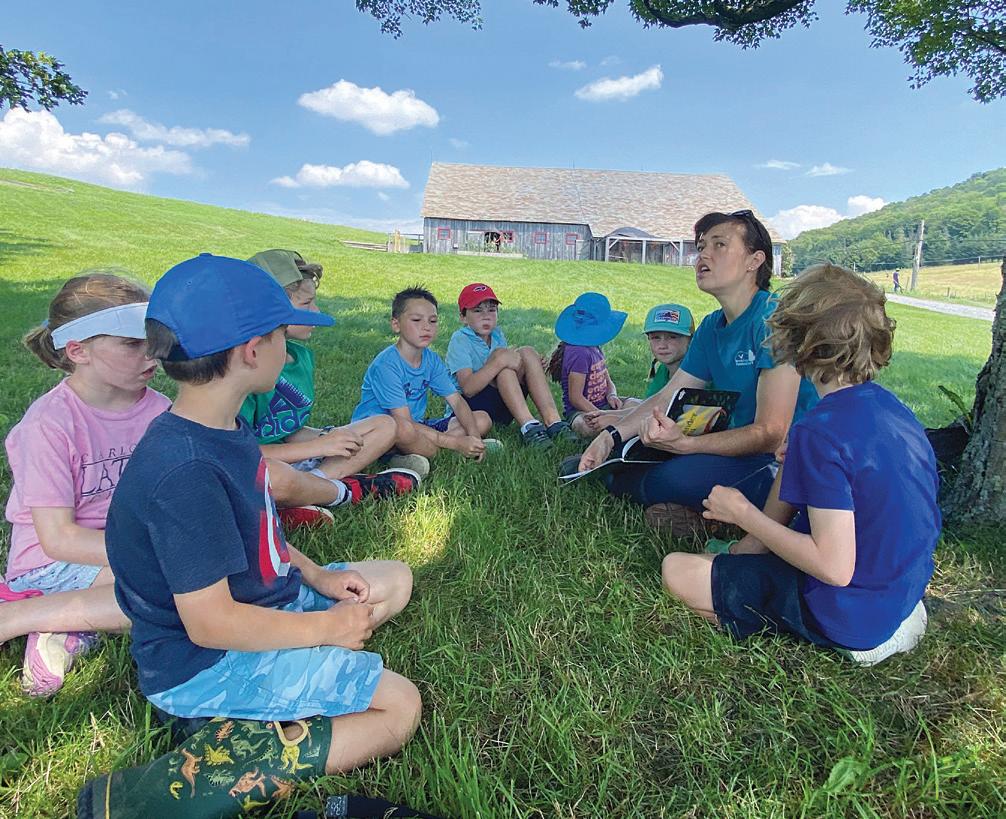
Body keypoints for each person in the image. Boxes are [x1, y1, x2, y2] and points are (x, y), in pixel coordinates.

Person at [105, 253, 422, 777]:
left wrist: (318, 575)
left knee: (395, 577)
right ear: (252, 351)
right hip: (205, 664)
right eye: (281, 335)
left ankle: (279, 684)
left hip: (265, 600)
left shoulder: (225, 427)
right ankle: (221, 762)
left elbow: (260, 530)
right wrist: (323, 628)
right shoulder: (185, 472)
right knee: (400, 706)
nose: (287, 346)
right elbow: (209, 624)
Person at [662, 263, 939, 666]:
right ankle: (749, 555)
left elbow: (833, 567)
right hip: (898, 591)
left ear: (797, 340)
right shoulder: (893, 410)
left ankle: (836, 638)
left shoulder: (820, 431)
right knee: (782, 480)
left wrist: (743, 514)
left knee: (677, 570)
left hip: (848, 614)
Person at [577, 210, 818, 538]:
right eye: (701, 246)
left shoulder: (774, 320)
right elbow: (668, 396)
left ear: (755, 260)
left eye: (720, 245)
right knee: (623, 462)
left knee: (668, 478)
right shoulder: (710, 326)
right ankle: (708, 513)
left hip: (783, 464)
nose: (703, 255)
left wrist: (687, 445)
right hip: (735, 449)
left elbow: (770, 434)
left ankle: (730, 518)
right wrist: (611, 437)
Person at [1, 272, 169, 696]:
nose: (152, 353)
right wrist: (156, 552)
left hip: (121, 549)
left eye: (153, 340)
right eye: (132, 344)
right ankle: (19, 615)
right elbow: (58, 539)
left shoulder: (160, 410)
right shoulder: (48, 424)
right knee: (174, 593)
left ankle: (68, 624)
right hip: (50, 563)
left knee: (200, 582)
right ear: (78, 350)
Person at [241, 250, 421, 530]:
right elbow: (240, 453)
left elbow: (286, 429)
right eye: (306, 303)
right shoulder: (246, 369)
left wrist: (330, 436)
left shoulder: (300, 358)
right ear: (271, 310)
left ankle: (312, 486)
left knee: (385, 425)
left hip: (293, 456)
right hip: (260, 466)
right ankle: (342, 490)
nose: (316, 311)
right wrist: (320, 446)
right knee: (275, 477)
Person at [351, 285, 491, 461]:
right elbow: (403, 422)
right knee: (406, 431)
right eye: (417, 320)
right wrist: (455, 442)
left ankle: (426, 453)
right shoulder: (386, 365)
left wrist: (474, 437)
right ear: (396, 324)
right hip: (381, 432)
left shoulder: (431, 360)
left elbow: (456, 401)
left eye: (432, 321)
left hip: (417, 426)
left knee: (482, 419)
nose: (426, 327)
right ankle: (435, 450)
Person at [446, 282, 575, 449]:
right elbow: (468, 389)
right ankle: (529, 427)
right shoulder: (460, 339)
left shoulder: (497, 335)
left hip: (501, 406)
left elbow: (509, 373)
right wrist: (499, 361)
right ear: (463, 317)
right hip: (471, 412)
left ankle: (553, 421)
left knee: (528, 352)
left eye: (491, 310)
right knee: (503, 367)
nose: (486, 316)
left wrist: (532, 368)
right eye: (477, 310)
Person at [581, 302, 695, 428]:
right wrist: (609, 413)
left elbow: (674, 417)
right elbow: (652, 406)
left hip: (686, 427)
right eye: (656, 337)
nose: (662, 345)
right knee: (630, 404)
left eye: (672, 337)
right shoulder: (664, 369)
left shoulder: (696, 372)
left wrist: (617, 419)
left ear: (691, 339)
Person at [545, 292, 628, 438]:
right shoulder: (579, 353)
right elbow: (576, 398)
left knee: (636, 404)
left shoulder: (593, 346)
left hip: (604, 405)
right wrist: (603, 415)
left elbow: (607, 380)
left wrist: (612, 395)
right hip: (582, 411)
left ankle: (623, 425)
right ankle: (623, 427)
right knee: (584, 425)